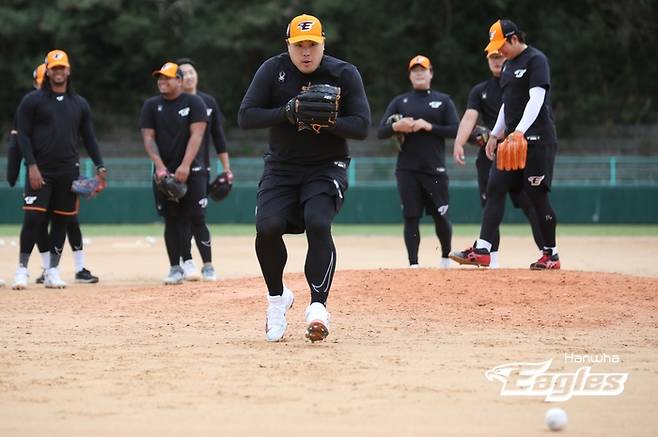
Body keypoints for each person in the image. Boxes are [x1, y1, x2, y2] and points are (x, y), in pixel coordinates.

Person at [238, 13, 370, 342]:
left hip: (327, 165)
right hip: (282, 167)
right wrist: (286, 112)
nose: (306, 52)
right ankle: (276, 299)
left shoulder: (344, 73)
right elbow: (246, 116)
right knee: (267, 228)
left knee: (318, 222)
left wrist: (329, 122)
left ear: (323, 44)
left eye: (312, 45)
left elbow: (363, 126)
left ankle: (318, 307)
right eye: (299, 46)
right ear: (289, 46)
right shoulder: (272, 70)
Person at [450, 19, 560, 270]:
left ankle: (551, 254)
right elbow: (506, 105)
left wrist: (520, 131)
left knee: (536, 196)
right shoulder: (508, 66)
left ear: (514, 38)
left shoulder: (536, 60)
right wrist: (496, 135)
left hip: (538, 140)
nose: (499, 52)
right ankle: (483, 249)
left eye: (502, 45)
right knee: (495, 186)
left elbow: (537, 98)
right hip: (511, 141)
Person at [12, 49, 106, 290]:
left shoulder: (79, 103)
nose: (58, 72)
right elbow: (22, 135)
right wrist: (31, 165)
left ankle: (53, 270)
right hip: (40, 170)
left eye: (61, 67)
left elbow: (89, 137)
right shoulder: (32, 101)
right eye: (53, 68)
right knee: (33, 217)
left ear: (68, 70)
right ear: (47, 71)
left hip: (68, 171)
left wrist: (100, 166)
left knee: (62, 221)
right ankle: (22, 270)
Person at [377, 55, 459, 269]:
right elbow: (381, 131)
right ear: (410, 75)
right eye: (415, 70)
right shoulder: (400, 101)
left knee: (441, 216)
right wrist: (397, 126)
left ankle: (445, 258)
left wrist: (429, 126)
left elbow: (455, 129)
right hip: (407, 169)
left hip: (434, 169)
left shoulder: (443, 100)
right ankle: (413, 264)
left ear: (431, 72)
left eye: (423, 69)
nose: (419, 73)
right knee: (411, 217)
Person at [139, 62, 208, 284]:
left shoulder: (194, 102)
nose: (162, 81)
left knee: (191, 217)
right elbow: (148, 138)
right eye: (160, 78)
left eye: (167, 77)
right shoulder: (151, 105)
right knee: (171, 219)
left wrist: (186, 165)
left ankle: (192, 262)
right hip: (163, 172)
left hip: (192, 170)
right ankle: (175, 267)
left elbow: (197, 135)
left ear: (179, 81)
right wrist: (159, 166)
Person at [176, 58, 233, 281]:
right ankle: (186, 261)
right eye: (184, 73)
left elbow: (218, 136)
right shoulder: (173, 102)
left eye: (192, 71)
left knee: (198, 216)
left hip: (201, 168)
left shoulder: (208, 102)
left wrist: (226, 168)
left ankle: (208, 265)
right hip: (176, 169)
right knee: (180, 218)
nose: (189, 76)